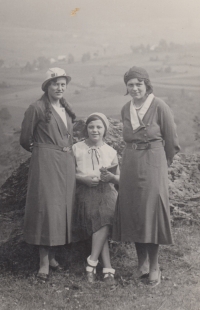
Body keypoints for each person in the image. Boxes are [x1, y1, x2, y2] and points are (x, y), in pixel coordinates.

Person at [112, 66, 180, 287]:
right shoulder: (125, 109)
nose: (134, 88)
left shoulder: (159, 106)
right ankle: (141, 264)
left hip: (153, 162)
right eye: (130, 85)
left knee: (151, 212)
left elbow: (171, 143)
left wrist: (159, 165)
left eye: (138, 84)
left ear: (146, 84)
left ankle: (154, 267)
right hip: (130, 163)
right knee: (134, 211)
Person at [20, 67, 76, 281]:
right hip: (46, 162)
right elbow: (25, 139)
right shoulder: (36, 108)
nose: (60, 87)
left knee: (61, 209)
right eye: (55, 83)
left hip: (66, 163)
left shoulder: (65, 108)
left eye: (63, 84)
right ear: (47, 86)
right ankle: (43, 263)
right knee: (46, 209)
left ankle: (52, 257)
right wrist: (43, 152)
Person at [72, 113, 120, 285]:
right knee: (98, 218)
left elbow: (118, 178)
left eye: (99, 127)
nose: (95, 130)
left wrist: (110, 178)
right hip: (85, 190)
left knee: (108, 213)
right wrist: (82, 179)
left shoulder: (110, 151)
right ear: (87, 129)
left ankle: (91, 262)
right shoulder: (76, 148)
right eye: (91, 126)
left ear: (105, 130)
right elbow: (68, 173)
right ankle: (107, 269)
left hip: (106, 190)